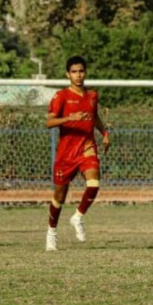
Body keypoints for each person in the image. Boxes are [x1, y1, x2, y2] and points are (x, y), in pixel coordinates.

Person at [45, 56, 110, 251]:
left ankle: (78, 217)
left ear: (85, 73)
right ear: (68, 74)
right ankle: (51, 233)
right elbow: (49, 122)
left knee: (94, 183)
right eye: (74, 72)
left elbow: (94, 116)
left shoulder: (92, 95)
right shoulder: (61, 96)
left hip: (87, 147)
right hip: (66, 153)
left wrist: (105, 133)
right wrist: (69, 118)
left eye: (81, 71)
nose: (78, 75)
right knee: (59, 196)